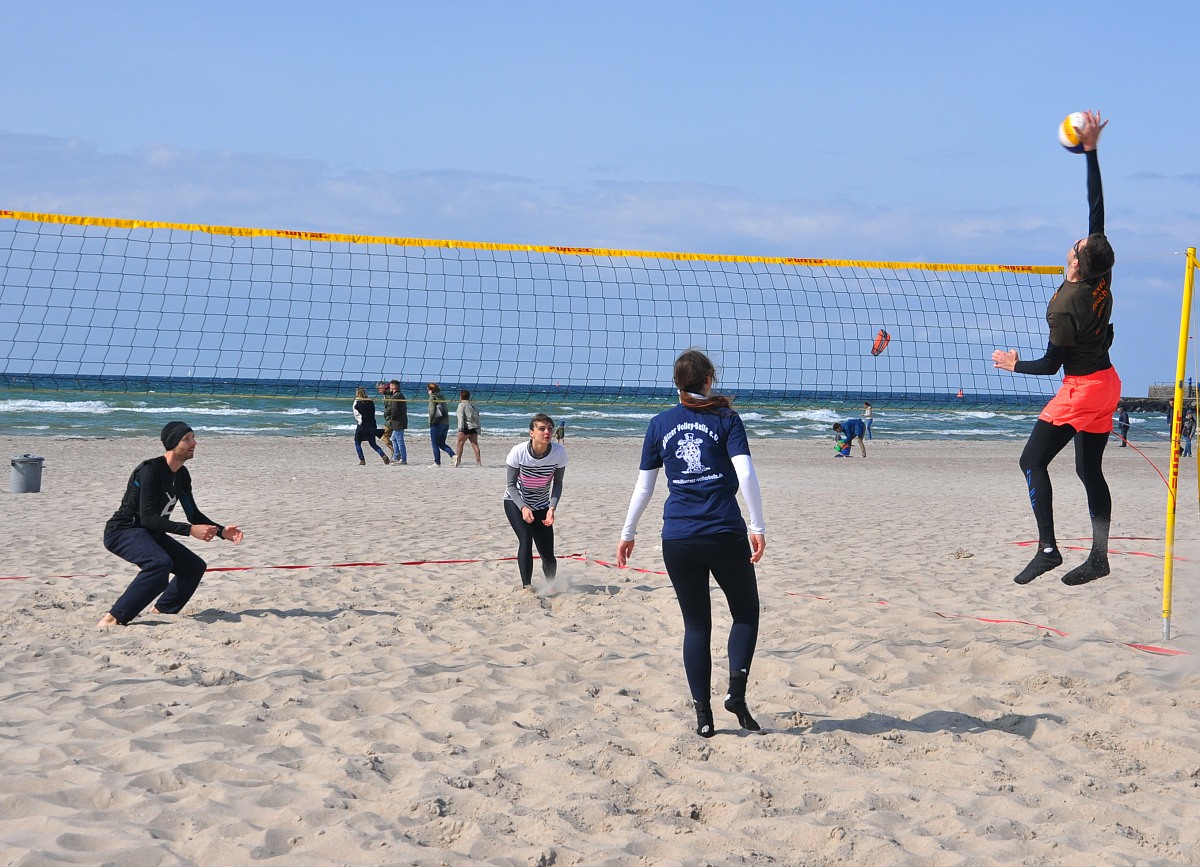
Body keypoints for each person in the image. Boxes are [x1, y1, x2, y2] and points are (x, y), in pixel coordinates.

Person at [992, 110, 1119, 588]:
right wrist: (1091, 152)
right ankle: (1099, 557)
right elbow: (1096, 208)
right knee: (1089, 470)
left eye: (1079, 244)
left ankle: (1048, 549)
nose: (1080, 239)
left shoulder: (1065, 305)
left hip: (1082, 389)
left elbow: (1050, 365)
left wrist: (1013, 365)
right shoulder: (1101, 272)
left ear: (1077, 262)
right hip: (1107, 383)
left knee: (1031, 462)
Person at [616, 349, 766, 738]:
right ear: (709, 379)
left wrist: (628, 533)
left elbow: (644, 487)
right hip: (723, 532)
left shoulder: (660, 423)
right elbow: (746, 474)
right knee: (745, 613)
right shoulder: (726, 418)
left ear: (677, 383)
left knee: (696, 626)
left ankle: (703, 717)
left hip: (678, 539)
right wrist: (757, 525)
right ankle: (735, 693)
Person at [97, 421, 244, 628]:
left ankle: (163, 610)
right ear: (173, 443)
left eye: (193, 438)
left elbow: (193, 514)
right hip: (124, 530)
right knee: (159, 563)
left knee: (194, 567)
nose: (194, 443)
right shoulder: (150, 470)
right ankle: (113, 618)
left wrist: (221, 531)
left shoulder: (182, 474)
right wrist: (190, 531)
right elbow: (147, 518)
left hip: (151, 533)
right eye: (187, 439)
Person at [503, 413, 568, 589]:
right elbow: (511, 485)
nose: (547, 432)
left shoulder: (559, 452)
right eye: (541, 429)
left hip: (541, 504)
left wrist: (552, 508)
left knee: (547, 552)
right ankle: (527, 587)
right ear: (531, 432)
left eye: (550, 429)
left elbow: (558, 483)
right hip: (516, 501)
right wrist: (523, 507)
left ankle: (550, 585)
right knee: (526, 537)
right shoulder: (518, 451)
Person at [353, 386, 390, 465]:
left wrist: (360, 422)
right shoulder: (370, 401)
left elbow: (357, 415)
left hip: (362, 425)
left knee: (357, 442)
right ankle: (383, 455)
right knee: (373, 444)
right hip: (371, 425)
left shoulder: (357, 402)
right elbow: (372, 413)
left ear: (357, 393)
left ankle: (362, 460)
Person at [426, 383, 456, 466]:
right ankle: (453, 456)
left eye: (428, 390)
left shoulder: (432, 398)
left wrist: (430, 422)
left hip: (437, 423)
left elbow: (432, 411)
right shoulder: (442, 397)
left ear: (431, 390)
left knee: (435, 444)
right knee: (441, 443)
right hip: (445, 423)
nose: (427, 392)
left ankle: (437, 462)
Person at [454, 389, 482, 467]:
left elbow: (460, 417)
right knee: (475, 445)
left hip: (466, 428)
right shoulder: (474, 405)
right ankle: (479, 462)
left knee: (460, 444)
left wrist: (460, 429)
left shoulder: (461, 405)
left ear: (461, 396)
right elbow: (477, 416)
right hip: (474, 427)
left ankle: (458, 462)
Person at [386, 379, 409, 465]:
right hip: (401, 420)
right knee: (393, 439)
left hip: (398, 421)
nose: (389, 388)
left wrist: (392, 418)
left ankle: (403, 459)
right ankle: (396, 456)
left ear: (393, 387)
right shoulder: (401, 395)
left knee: (399, 440)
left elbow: (394, 409)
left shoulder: (395, 396)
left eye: (390, 387)